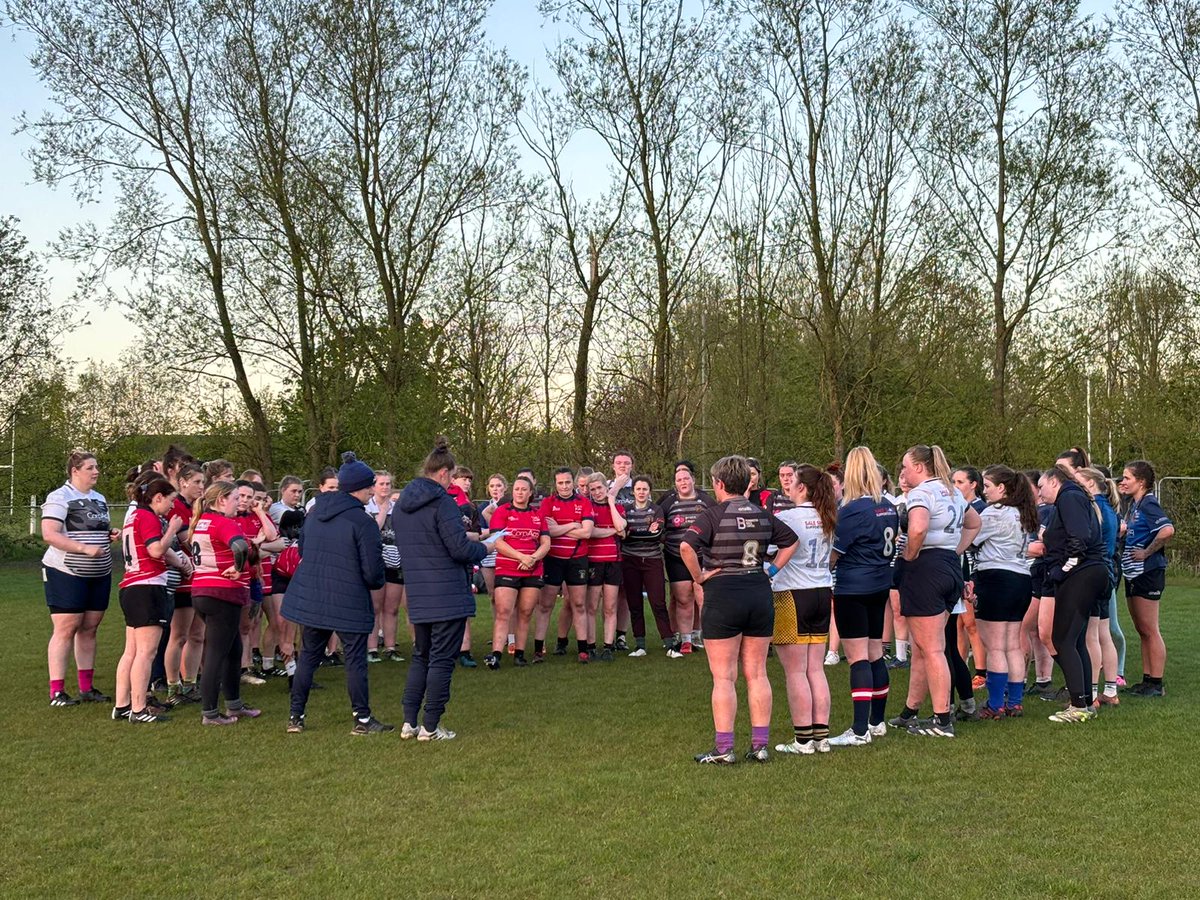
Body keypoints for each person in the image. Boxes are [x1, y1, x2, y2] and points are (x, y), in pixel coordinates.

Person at [681, 455, 798, 764]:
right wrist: (771, 570)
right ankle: (760, 746)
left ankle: (724, 749)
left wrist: (698, 577)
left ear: (719, 483)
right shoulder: (762, 513)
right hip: (758, 591)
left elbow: (685, 547)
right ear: (747, 482)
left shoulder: (712, 515)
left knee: (723, 677)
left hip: (724, 593)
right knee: (757, 672)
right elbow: (791, 541)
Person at [283, 453, 389, 735]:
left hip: (312, 596)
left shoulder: (315, 514)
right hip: (348, 599)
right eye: (369, 486)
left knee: (307, 656)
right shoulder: (362, 522)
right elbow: (372, 572)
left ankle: (296, 716)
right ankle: (362, 720)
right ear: (358, 487)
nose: (371, 491)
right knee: (355, 659)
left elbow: (304, 552)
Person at [393, 439, 489, 741]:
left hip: (418, 592)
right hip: (446, 593)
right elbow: (459, 548)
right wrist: (486, 546)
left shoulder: (402, 506)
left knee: (421, 656)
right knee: (441, 660)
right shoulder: (443, 503)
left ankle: (410, 721)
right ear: (445, 473)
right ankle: (431, 726)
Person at [889, 445, 980, 738]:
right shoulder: (951, 491)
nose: (901, 473)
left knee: (932, 649)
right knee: (923, 647)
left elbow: (916, 529)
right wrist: (955, 550)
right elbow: (974, 522)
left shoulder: (921, 494)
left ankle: (942, 719)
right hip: (949, 567)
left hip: (926, 569)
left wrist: (911, 556)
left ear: (919, 467)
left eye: (904, 466)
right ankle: (910, 711)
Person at [824, 449, 900, 748]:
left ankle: (858, 730)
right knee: (874, 653)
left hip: (854, 587)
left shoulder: (852, 510)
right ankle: (877, 722)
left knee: (858, 658)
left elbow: (834, 555)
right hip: (880, 583)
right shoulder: (889, 506)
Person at [770, 464, 839, 755]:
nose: (788, 485)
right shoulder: (828, 516)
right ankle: (821, 737)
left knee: (795, 672)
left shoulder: (787, 516)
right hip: (822, 592)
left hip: (791, 594)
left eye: (793, 481)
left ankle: (802, 740)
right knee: (815, 669)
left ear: (802, 488)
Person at [42, 450, 118, 708]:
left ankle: (86, 688)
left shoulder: (99, 499)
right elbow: (50, 534)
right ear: (75, 470)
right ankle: (57, 691)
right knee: (67, 626)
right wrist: (84, 549)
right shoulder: (60, 497)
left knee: (90, 627)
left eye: (96, 467)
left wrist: (110, 534)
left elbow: (94, 530)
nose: (96, 471)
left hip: (99, 572)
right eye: (90, 467)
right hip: (66, 571)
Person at [1036, 465, 1108, 722]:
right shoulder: (1071, 498)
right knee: (1075, 640)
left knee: (1062, 639)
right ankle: (1086, 702)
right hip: (1086, 573)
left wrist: (1061, 571)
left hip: (1083, 574)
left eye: (1042, 487)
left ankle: (1078, 706)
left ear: (1055, 481)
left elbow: (1079, 539)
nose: (1040, 493)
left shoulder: (1070, 496)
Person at [113, 476, 187, 723]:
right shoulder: (148, 517)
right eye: (170, 501)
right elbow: (156, 550)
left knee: (131, 652)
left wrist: (181, 563)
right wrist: (173, 530)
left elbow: (154, 550)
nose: (171, 507)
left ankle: (122, 705)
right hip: (147, 587)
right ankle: (138, 708)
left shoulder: (133, 516)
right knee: (146, 652)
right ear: (158, 498)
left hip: (131, 586)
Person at [190, 481, 260, 725]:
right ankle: (210, 713)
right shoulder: (223, 522)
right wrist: (239, 567)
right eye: (234, 499)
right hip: (222, 592)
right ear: (221, 500)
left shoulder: (201, 521)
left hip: (201, 590)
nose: (238, 503)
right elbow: (239, 546)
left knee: (232, 650)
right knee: (217, 653)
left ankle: (234, 705)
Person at [972, 465, 1038, 719]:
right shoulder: (1022, 512)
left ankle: (996, 703)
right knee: (1012, 644)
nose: (984, 491)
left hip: (997, 578)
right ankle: (1015, 702)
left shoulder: (994, 513)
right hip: (1021, 579)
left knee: (996, 647)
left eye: (987, 486)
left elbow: (972, 538)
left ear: (1002, 488)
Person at [1118, 459, 1174, 697]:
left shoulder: (1149, 503)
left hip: (1148, 572)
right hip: (1133, 573)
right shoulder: (1134, 505)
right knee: (1142, 629)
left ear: (1141, 482)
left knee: (1150, 628)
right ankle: (1147, 679)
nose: (1122, 481)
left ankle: (1157, 683)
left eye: (1127, 478)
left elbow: (1167, 530)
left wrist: (1146, 552)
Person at [487, 476, 550, 668]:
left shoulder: (538, 515)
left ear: (530, 493)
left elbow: (546, 543)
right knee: (503, 612)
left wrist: (533, 558)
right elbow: (497, 541)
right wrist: (521, 557)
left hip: (532, 569)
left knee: (525, 612)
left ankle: (519, 654)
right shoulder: (502, 512)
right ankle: (496, 654)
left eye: (524, 489)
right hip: (507, 567)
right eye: (516, 489)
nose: (520, 492)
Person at [537, 468, 594, 663]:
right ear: (555, 484)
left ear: (574, 483)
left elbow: (586, 533)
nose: (564, 486)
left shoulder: (583, 502)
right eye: (560, 483)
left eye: (568, 482)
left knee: (578, 604)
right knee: (546, 605)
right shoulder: (548, 503)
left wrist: (558, 528)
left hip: (577, 559)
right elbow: (546, 531)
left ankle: (582, 649)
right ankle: (538, 649)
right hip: (552, 559)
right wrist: (572, 525)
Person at [1076, 467, 1121, 709]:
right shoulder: (1110, 509)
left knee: (1090, 635)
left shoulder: (1096, 509)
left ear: (1090, 484)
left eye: (1078, 482)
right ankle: (1111, 690)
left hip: (1094, 573)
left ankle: (1091, 693)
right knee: (1104, 634)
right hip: (1108, 574)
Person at [661, 462, 715, 652]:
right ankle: (685, 640)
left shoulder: (706, 501)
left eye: (686, 478)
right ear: (675, 483)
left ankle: (704, 635)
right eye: (679, 480)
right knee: (683, 599)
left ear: (693, 480)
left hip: (702, 557)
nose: (683, 482)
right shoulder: (668, 503)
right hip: (676, 558)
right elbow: (658, 525)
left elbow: (716, 525)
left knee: (703, 597)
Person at [165, 462, 206, 706]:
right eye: (197, 482)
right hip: (182, 576)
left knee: (198, 635)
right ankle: (173, 686)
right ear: (183, 483)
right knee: (179, 634)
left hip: (199, 577)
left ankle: (190, 683)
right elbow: (186, 540)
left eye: (203, 482)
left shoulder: (198, 506)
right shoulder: (176, 506)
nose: (202, 486)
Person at [619, 475, 668, 658]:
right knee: (635, 604)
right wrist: (642, 532)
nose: (641, 492)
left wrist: (633, 533)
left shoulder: (657, 509)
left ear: (649, 492)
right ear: (633, 492)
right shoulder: (625, 510)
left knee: (658, 602)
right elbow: (623, 535)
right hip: (630, 561)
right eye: (638, 489)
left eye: (645, 489)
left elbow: (655, 536)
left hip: (653, 560)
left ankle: (669, 643)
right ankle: (640, 645)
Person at [953, 466, 988, 689]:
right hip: (958, 568)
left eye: (960, 482)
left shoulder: (980, 508)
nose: (955, 486)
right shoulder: (956, 506)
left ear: (973, 484)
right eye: (953, 482)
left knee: (971, 623)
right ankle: (961, 667)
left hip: (973, 570)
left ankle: (981, 672)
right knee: (957, 623)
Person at [584, 472, 626, 660]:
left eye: (599, 488)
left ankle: (608, 646)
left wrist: (610, 501)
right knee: (591, 606)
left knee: (610, 607)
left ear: (606, 487)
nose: (596, 492)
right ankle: (591, 645)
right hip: (593, 560)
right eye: (592, 490)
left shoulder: (616, 507)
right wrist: (612, 531)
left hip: (613, 561)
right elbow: (590, 532)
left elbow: (621, 527)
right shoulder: (587, 507)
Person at [366, 470, 405, 664]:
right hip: (376, 562)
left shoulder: (398, 508)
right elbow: (373, 529)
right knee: (374, 607)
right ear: (373, 487)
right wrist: (382, 510)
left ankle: (391, 647)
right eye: (381, 484)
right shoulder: (366, 507)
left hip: (395, 562)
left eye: (388, 484)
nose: (385, 487)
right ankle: (372, 648)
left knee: (392, 608)